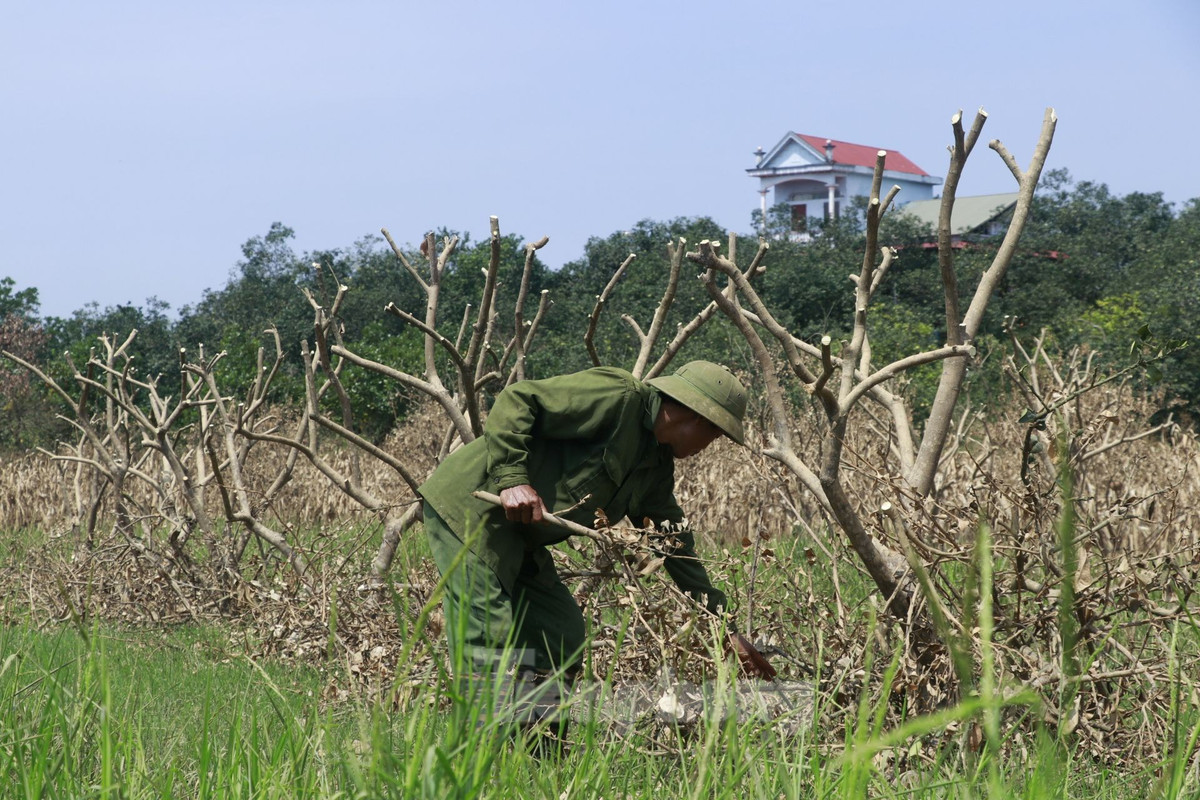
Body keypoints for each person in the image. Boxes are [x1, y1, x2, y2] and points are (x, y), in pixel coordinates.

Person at [417, 361, 775, 728]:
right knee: (488, 632)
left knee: (560, 633)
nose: (708, 447)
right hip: (473, 508)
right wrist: (512, 479)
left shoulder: (654, 465)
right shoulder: (619, 397)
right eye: (715, 436)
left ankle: (538, 752)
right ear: (699, 419)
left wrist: (722, 625)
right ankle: (476, 761)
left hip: (520, 537)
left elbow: (673, 544)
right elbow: (520, 399)